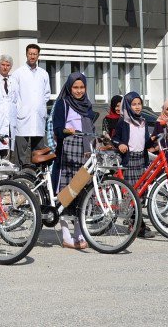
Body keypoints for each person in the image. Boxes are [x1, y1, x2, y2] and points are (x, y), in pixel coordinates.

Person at [52, 72, 97, 250]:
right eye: (75, 87)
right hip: (68, 150)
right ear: (69, 88)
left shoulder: (88, 106)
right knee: (67, 192)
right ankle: (65, 235)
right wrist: (66, 131)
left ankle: (79, 233)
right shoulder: (63, 104)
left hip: (85, 151)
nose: (78, 91)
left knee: (82, 192)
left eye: (82, 87)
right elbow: (57, 128)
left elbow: (91, 128)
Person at [113, 92, 156, 239]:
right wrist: (121, 145)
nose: (137, 107)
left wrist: (153, 140)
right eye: (134, 104)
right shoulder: (124, 121)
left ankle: (136, 223)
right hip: (129, 159)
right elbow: (115, 139)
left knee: (141, 193)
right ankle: (137, 225)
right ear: (128, 106)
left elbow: (146, 142)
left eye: (139, 104)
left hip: (140, 160)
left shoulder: (143, 121)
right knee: (132, 194)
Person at [11, 43, 51, 167]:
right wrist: (21, 108)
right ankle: (21, 173)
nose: (32, 56)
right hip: (23, 116)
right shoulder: (18, 73)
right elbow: (14, 95)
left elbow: (46, 94)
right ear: (26, 54)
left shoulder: (43, 73)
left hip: (38, 115)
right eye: (30, 54)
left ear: (38, 55)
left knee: (39, 149)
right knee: (21, 149)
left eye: (35, 54)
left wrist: (39, 107)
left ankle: (38, 173)